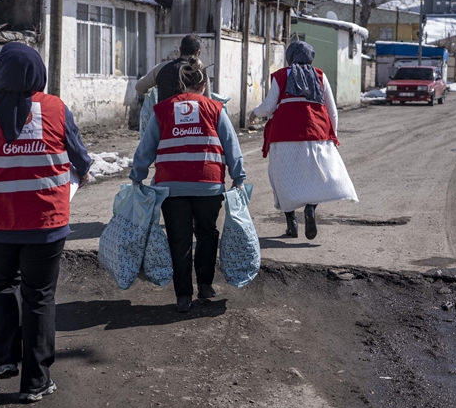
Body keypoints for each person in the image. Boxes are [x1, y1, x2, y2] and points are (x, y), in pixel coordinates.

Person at [0, 42, 91, 402]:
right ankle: (36, 381)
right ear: (38, 73)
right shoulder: (55, 108)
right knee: (39, 296)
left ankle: (3, 359)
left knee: (3, 282)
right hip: (45, 222)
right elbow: (81, 157)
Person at [130, 57, 246, 313]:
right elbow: (231, 145)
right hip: (209, 185)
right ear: (204, 85)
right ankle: (205, 285)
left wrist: (137, 175)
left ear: (181, 85)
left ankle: (183, 296)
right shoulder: (216, 108)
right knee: (206, 234)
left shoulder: (163, 109)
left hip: (171, 187)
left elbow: (146, 147)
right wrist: (238, 177)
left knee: (179, 241)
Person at [248, 41, 358, 240]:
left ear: (290, 56)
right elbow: (332, 110)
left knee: (283, 181)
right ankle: (311, 208)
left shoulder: (282, 76)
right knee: (316, 178)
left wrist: (254, 113)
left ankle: (291, 223)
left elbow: (268, 106)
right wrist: (332, 134)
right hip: (316, 134)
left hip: (284, 137)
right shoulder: (320, 75)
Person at [135, 33, 212, 101]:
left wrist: (153, 90)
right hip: (192, 116)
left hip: (165, 116)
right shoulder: (201, 72)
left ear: (180, 49)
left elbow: (140, 87)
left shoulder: (161, 68)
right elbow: (208, 101)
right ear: (197, 52)